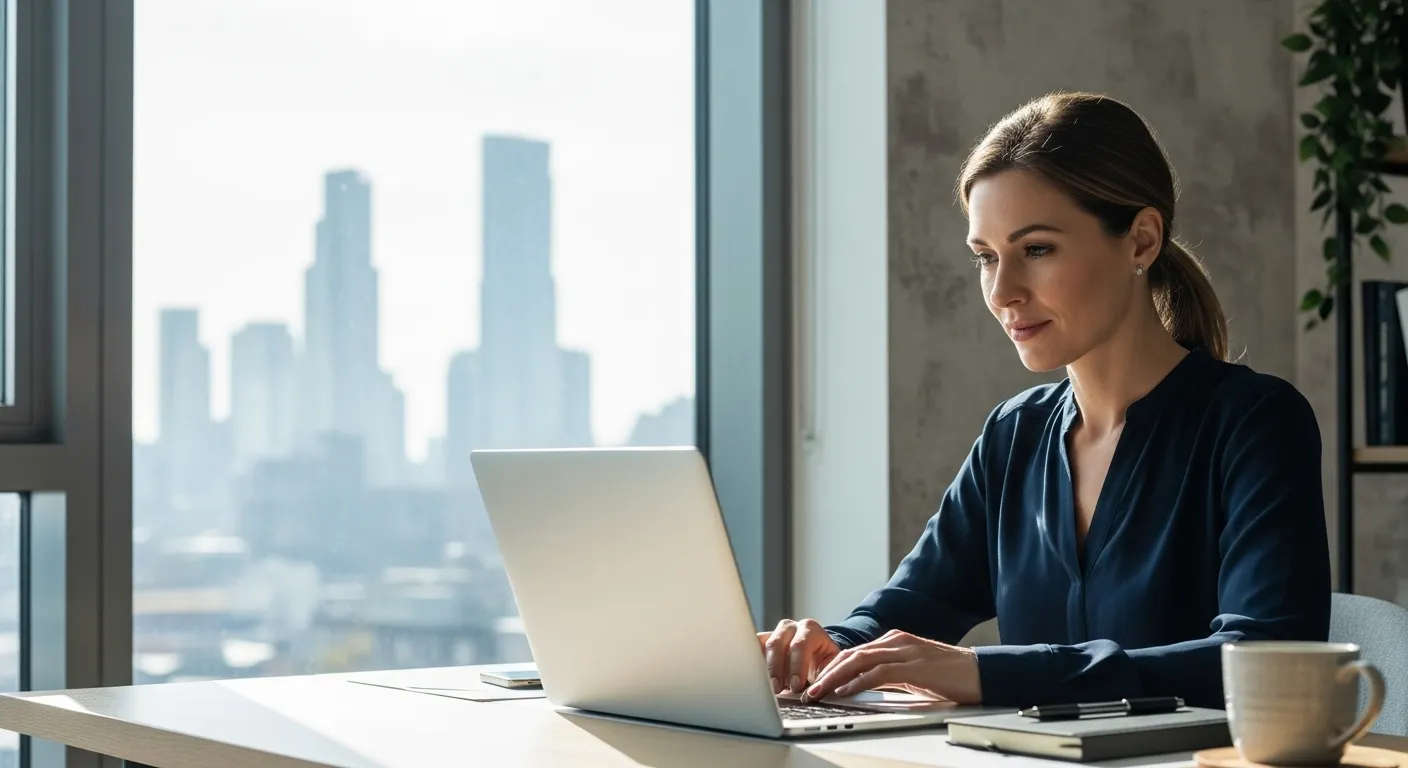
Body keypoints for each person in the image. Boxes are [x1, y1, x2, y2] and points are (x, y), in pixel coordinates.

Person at [761, 91, 1330, 710]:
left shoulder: (1254, 423)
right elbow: (910, 608)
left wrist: (986, 673)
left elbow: (1265, 659)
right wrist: (827, 646)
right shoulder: (1015, 435)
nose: (1003, 291)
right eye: (986, 258)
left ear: (1141, 241)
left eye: (1036, 250)